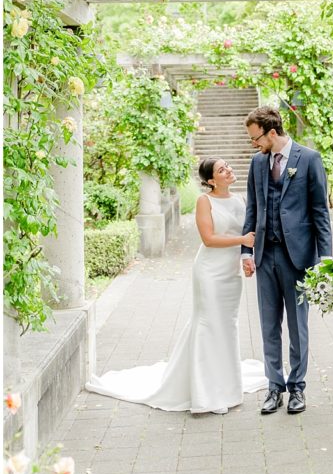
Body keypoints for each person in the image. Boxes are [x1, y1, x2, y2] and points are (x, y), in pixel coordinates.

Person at [86, 158, 266, 413]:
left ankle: (227, 386)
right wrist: (242, 239)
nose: (228, 170)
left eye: (227, 166)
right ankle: (205, 393)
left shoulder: (238, 199)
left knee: (227, 325)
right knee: (207, 324)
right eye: (221, 170)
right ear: (211, 180)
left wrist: (246, 256)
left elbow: (246, 237)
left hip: (230, 273)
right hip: (210, 271)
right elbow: (209, 239)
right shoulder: (205, 201)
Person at [242, 107, 333, 415]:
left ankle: (297, 388)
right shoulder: (257, 164)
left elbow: (320, 212)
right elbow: (252, 210)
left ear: (272, 133)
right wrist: (246, 252)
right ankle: (273, 387)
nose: (253, 144)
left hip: (299, 257)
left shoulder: (309, 159)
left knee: (297, 326)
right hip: (266, 255)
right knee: (268, 325)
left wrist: (326, 259)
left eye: (256, 138)